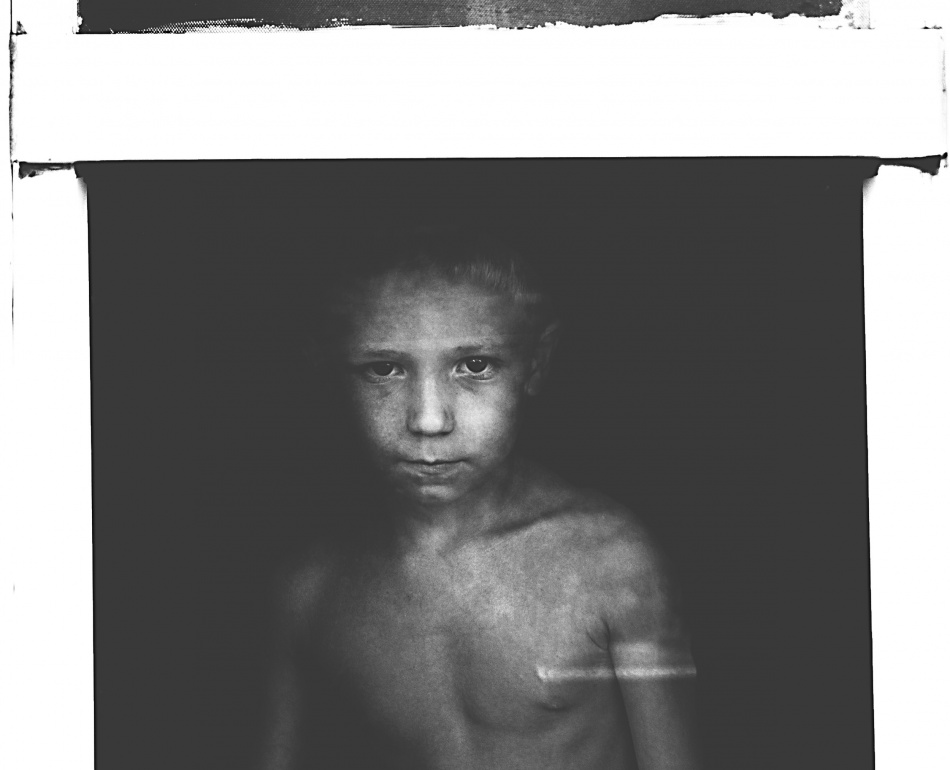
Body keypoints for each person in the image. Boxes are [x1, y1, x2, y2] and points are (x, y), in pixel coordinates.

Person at [262, 226, 701, 770]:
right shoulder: (311, 591)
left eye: (474, 366)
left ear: (536, 362)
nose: (428, 420)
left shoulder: (610, 562)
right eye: (384, 369)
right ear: (331, 369)